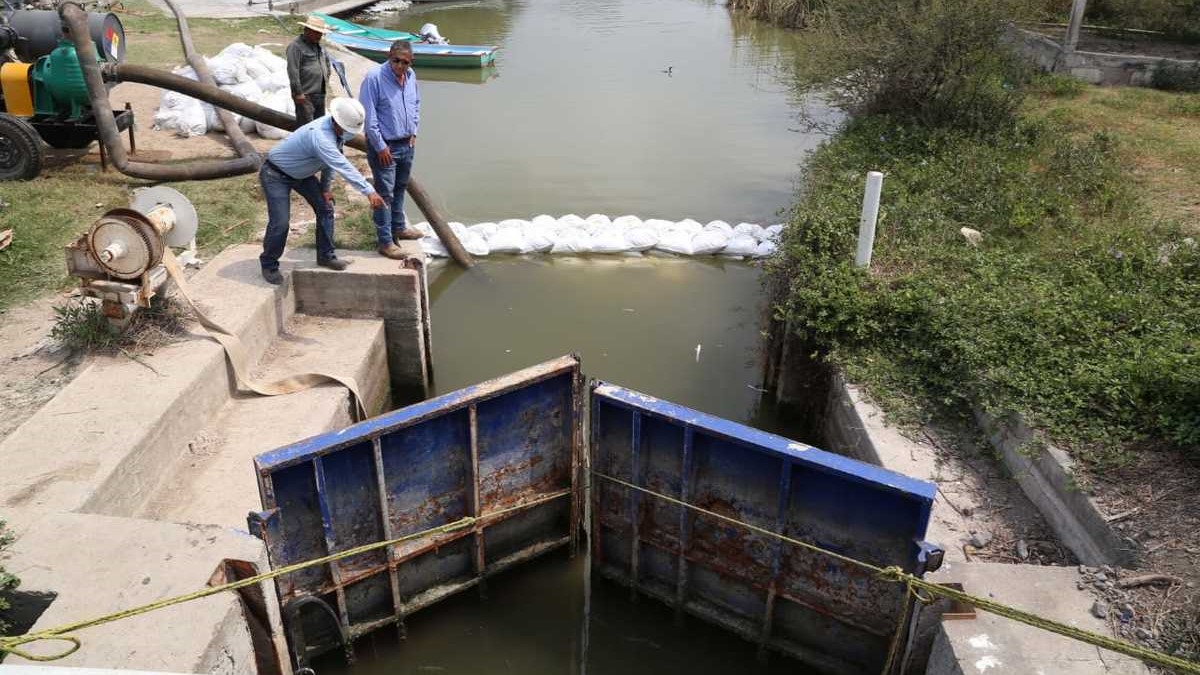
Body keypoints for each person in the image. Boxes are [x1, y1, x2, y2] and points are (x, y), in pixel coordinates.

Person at [258, 97, 386, 285]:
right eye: (346, 129)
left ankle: (326, 255)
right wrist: (369, 191)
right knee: (281, 222)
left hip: (301, 174)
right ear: (336, 121)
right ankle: (269, 264)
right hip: (275, 174)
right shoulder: (319, 135)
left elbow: (332, 159)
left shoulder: (342, 131)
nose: (348, 133)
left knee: (325, 208)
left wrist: (325, 189)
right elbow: (341, 164)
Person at [359, 40, 422, 260]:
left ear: (411, 61)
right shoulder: (374, 77)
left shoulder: (411, 76)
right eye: (396, 60)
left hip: (406, 143)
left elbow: (416, 105)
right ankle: (385, 242)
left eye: (405, 62)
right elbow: (369, 116)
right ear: (389, 56)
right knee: (384, 193)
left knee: (400, 187)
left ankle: (399, 227)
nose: (400, 66)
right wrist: (380, 146)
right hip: (385, 146)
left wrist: (414, 131)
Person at [287, 16, 332, 125]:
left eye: (321, 33)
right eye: (317, 32)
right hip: (305, 95)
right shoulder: (296, 46)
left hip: (320, 94)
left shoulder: (319, 47)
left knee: (319, 126)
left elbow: (326, 63)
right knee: (306, 127)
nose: (320, 36)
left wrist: (326, 76)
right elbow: (293, 71)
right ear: (307, 30)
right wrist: (298, 93)